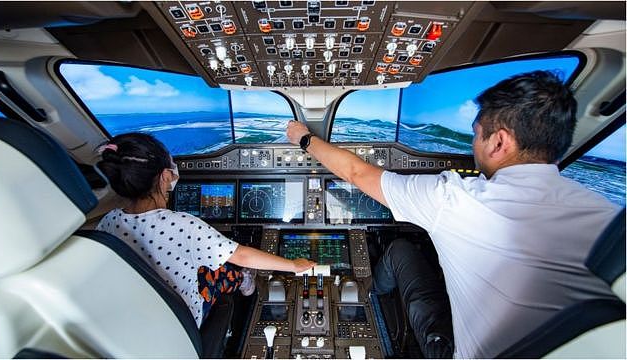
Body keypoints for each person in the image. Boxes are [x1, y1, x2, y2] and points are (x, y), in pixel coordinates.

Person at [286, 70, 619, 358]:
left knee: (400, 252)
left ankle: (370, 296)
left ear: (499, 142)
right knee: (405, 248)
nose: (473, 146)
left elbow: (357, 174)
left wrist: (303, 138)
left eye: (476, 134)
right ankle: (371, 299)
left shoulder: (454, 199)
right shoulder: (608, 217)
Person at [96, 132, 315, 327]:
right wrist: (294, 265)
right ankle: (245, 282)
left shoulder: (106, 223)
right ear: (164, 177)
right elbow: (244, 256)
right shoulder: (183, 224)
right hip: (184, 321)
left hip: (140, 319)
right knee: (228, 272)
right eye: (171, 173)